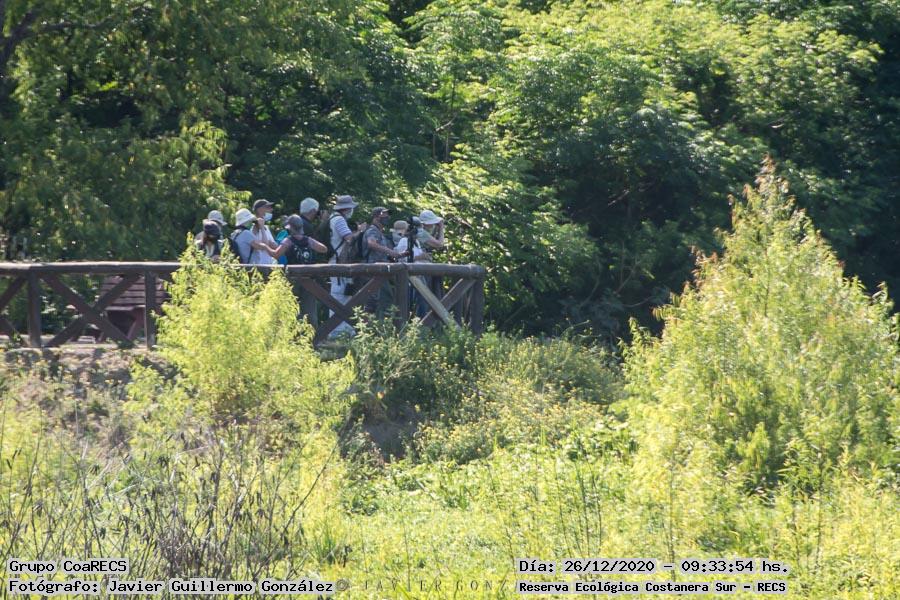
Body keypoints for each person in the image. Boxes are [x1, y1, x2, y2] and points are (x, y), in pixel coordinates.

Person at [272, 214, 329, 327]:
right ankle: (312, 334)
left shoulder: (288, 241)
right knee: (310, 310)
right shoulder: (308, 240)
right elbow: (324, 249)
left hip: (292, 279)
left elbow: (276, 254)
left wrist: (264, 246)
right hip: (309, 279)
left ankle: (292, 332)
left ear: (290, 228)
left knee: (291, 308)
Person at [327, 195, 366, 338]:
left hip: (335, 260)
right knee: (339, 295)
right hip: (338, 261)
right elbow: (349, 238)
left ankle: (342, 329)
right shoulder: (339, 220)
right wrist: (360, 231)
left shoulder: (332, 218)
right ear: (347, 208)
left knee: (341, 294)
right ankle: (337, 331)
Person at [362, 207, 402, 315]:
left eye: (388, 215)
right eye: (384, 215)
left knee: (382, 299)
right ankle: (378, 323)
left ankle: (379, 323)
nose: (387, 217)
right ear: (376, 217)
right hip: (373, 270)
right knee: (377, 301)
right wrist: (390, 252)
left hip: (380, 271)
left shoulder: (380, 233)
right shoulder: (372, 230)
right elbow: (371, 243)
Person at [275, 197, 321, 265]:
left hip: (290, 261)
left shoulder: (294, 221)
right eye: (317, 211)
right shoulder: (306, 225)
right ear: (313, 211)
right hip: (302, 263)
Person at [248, 199, 279, 265]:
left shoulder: (266, 227)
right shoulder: (253, 227)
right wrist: (261, 227)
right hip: (258, 265)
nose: (271, 209)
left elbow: (275, 246)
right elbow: (266, 244)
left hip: (268, 264)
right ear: (259, 210)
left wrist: (269, 243)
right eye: (267, 207)